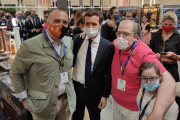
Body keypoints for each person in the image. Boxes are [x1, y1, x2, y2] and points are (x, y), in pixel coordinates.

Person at [9, 8, 76, 120]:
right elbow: (15, 72)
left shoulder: (69, 42)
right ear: (47, 23)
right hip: (42, 105)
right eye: (56, 21)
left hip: (66, 102)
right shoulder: (30, 45)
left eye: (65, 22)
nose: (61, 25)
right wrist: (24, 98)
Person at [111, 20, 176, 120]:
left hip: (134, 109)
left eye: (126, 34)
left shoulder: (143, 52)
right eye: (118, 33)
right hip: (115, 103)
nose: (121, 38)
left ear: (135, 36)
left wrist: (156, 114)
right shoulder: (115, 45)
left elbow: (169, 82)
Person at [72, 9, 115, 120]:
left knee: (95, 117)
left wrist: (105, 95)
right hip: (77, 89)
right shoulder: (77, 40)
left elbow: (109, 74)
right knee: (76, 116)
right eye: (87, 23)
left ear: (100, 25)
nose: (90, 27)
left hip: (95, 91)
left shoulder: (108, 46)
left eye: (94, 24)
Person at [149, 11, 180, 119]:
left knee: (174, 96)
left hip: (172, 70)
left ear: (174, 24)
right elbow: (149, 52)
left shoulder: (178, 37)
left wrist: (175, 56)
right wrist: (155, 55)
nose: (167, 27)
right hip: (157, 70)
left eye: (170, 25)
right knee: (157, 95)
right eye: (165, 24)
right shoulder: (156, 35)